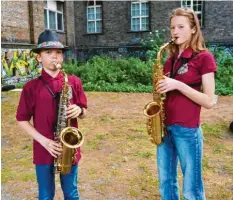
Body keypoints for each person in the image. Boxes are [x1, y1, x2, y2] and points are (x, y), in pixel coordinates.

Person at [16, 30, 87, 200]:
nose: (54, 57)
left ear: (62, 57)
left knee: (71, 193)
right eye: (48, 52)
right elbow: (22, 120)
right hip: (43, 148)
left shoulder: (74, 82)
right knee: (46, 195)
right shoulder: (31, 87)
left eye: (59, 52)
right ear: (39, 57)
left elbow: (84, 111)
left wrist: (80, 110)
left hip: (68, 148)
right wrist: (45, 141)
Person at [155, 8, 217, 200]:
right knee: (166, 182)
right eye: (173, 27)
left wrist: (178, 84)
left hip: (188, 130)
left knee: (192, 188)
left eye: (181, 26)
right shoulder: (169, 60)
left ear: (193, 29)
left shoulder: (204, 57)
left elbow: (208, 101)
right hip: (165, 128)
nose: (175, 31)